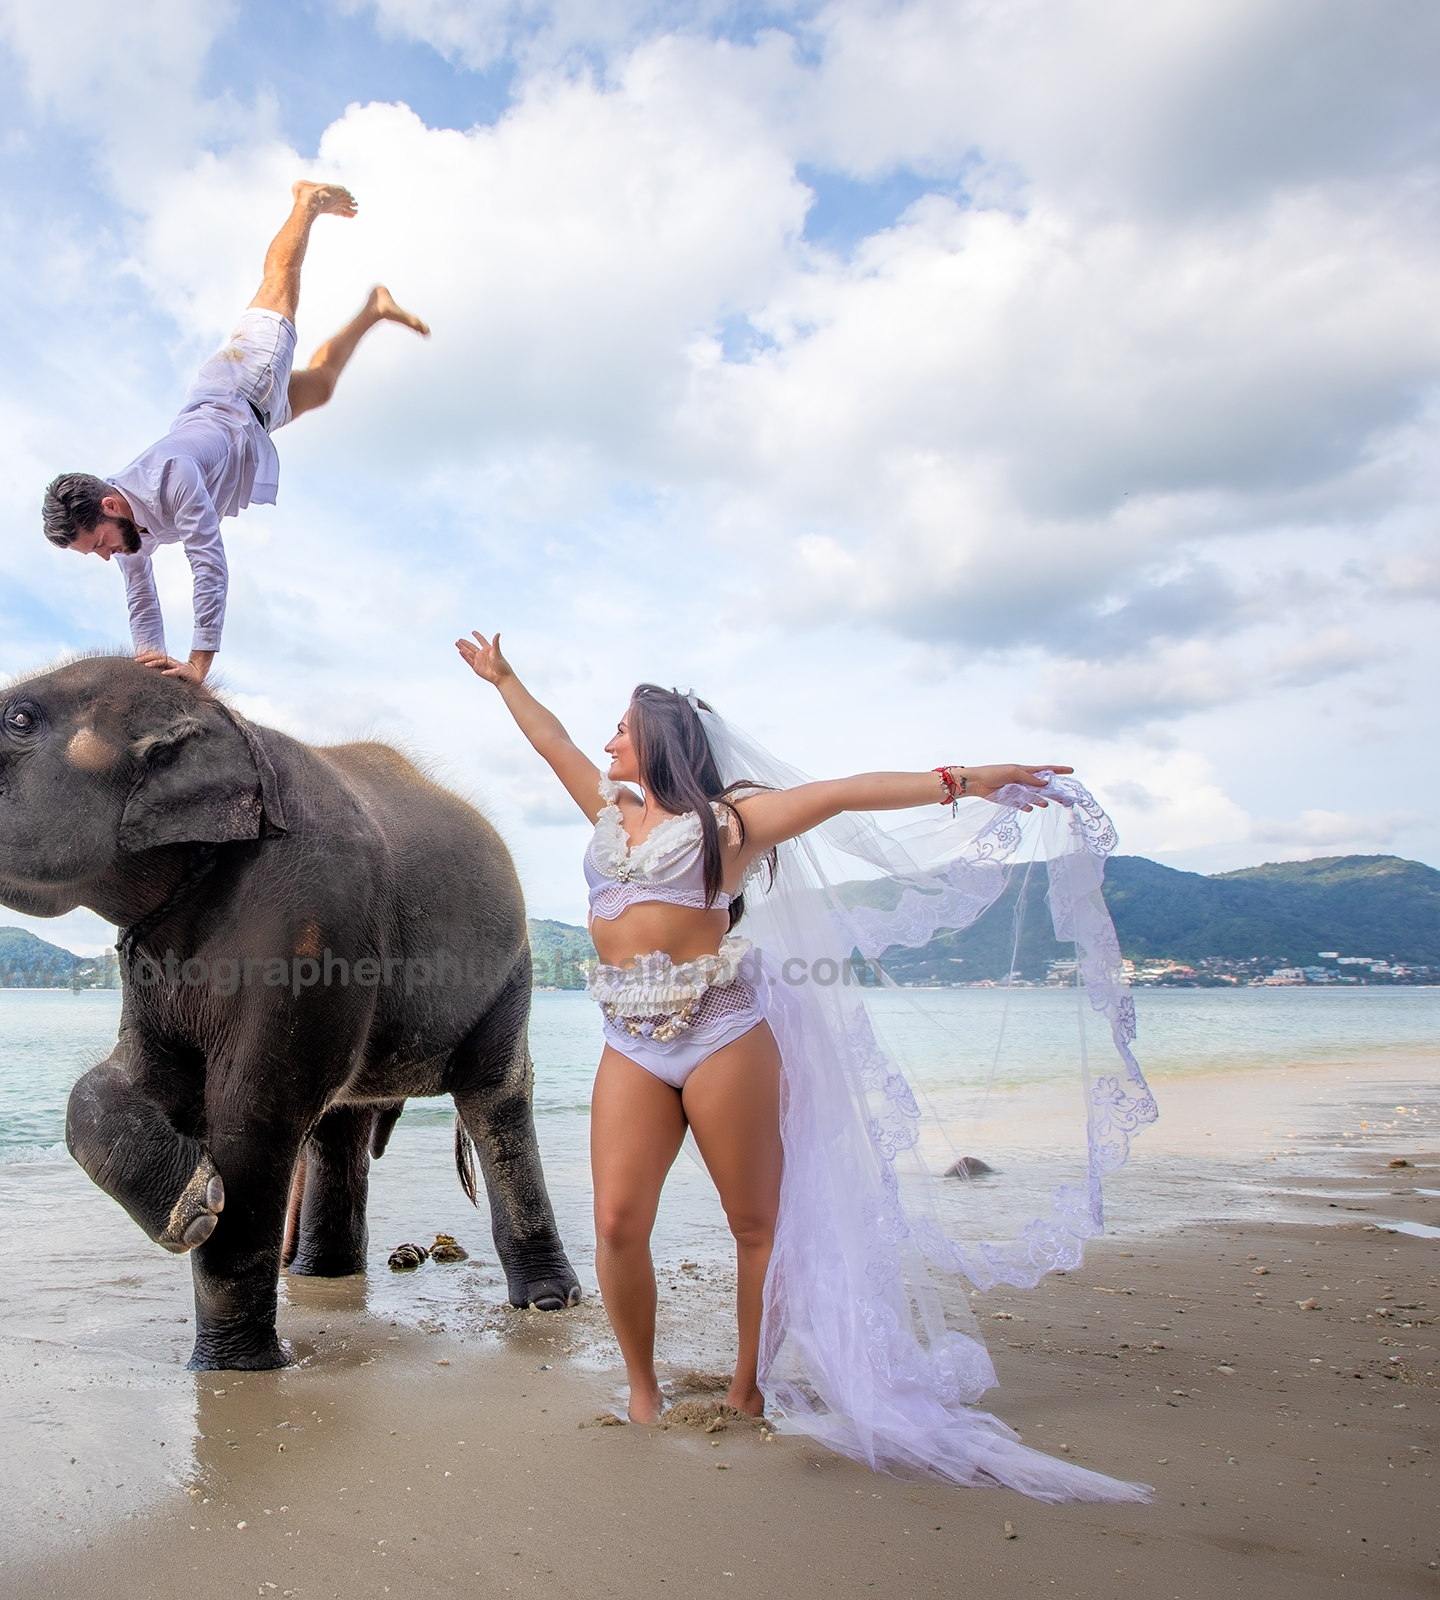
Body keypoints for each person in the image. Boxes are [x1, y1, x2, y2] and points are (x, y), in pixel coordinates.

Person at [457, 629, 1160, 1503]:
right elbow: (550, 739)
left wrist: (968, 779)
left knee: (757, 1226)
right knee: (615, 1224)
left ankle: (749, 1383)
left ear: (662, 739)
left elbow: (843, 792)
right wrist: (505, 678)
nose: (607, 743)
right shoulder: (610, 813)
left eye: (623, 730)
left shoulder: (733, 823)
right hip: (630, 1040)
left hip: (722, 1033)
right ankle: (642, 1392)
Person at [42, 181, 429, 686]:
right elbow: (141, 598)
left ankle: (304, 202)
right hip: (248, 418)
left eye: (97, 543)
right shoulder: (127, 533)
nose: (104, 555)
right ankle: (374, 309)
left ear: (111, 507)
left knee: (279, 282)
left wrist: (198, 665)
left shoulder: (172, 478)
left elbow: (209, 563)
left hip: (246, 379)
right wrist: (152, 671)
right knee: (325, 387)